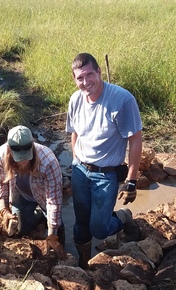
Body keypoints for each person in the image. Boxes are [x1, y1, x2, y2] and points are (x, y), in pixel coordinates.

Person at [66, 52, 143, 269]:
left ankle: (124, 217)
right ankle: (83, 263)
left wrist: (131, 180)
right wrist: (75, 160)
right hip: (81, 169)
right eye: (79, 78)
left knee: (99, 228)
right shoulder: (75, 100)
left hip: (106, 173)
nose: (85, 82)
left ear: (99, 72)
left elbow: (135, 140)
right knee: (81, 222)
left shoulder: (122, 100)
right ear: (74, 79)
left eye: (90, 75)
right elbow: (74, 132)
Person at [0, 125, 66, 259]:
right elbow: (2, 184)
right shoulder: (0, 156)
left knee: (58, 229)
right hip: (22, 194)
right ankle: (38, 216)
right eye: (19, 158)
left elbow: (54, 200)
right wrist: (4, 209)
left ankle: (59, 245)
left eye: (26, 157)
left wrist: (52, 234)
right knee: (21, 229)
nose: (23, 162)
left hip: (44, 197)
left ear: (32, 146)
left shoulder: (48, 160)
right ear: (9, 149)